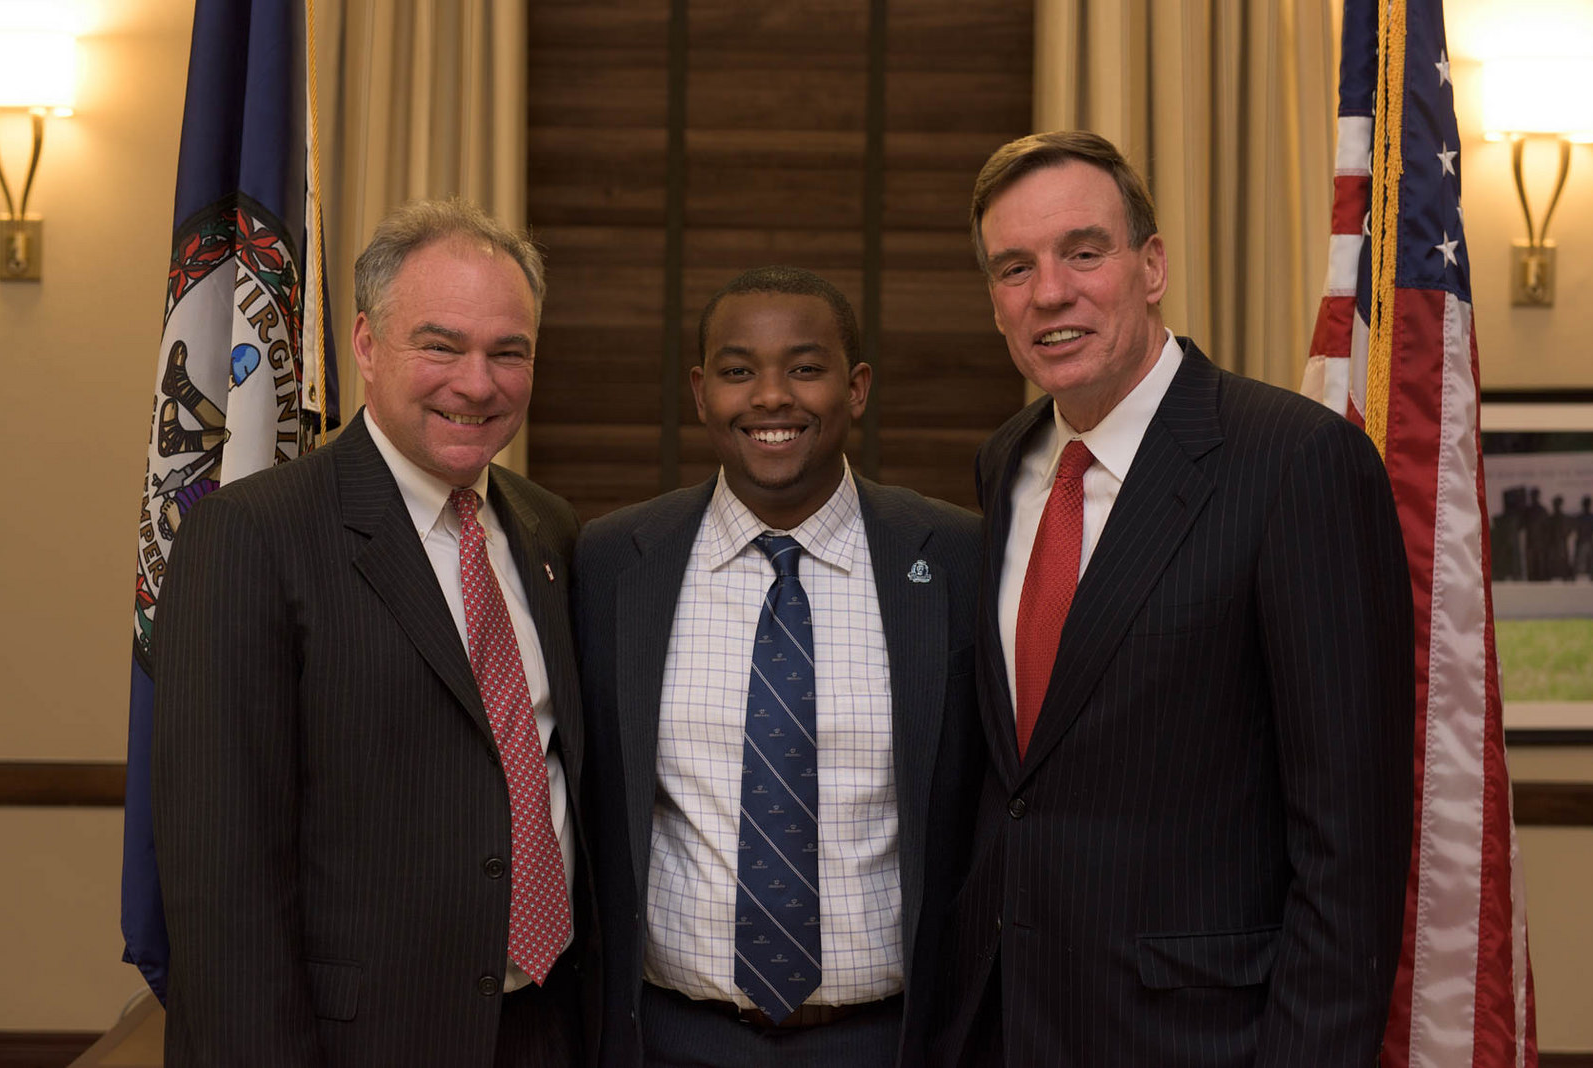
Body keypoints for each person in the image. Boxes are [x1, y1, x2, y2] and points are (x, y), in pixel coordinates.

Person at [932, 131, 1415, 1068]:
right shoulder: (1007, 463)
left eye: (1083, 252)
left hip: (1198, 1040)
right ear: (994, 301)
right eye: (1014, 268)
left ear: (1151, 266)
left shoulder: (1296, 464)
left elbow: (1349, 851)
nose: (1050, 293)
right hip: (1004, 1025)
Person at [153, 199, 596, 1067]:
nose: (478, 384)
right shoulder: (253, 535)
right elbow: (221, 874)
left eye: (509, 352)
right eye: (441, 346)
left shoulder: (551, 530)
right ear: (365, 343)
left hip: (546, 1029)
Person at [574, 266, 984, 1068]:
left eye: (804, 368)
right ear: (701, 393)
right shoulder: (614, 563)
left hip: (890, 1040)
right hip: (669, 1037)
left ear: (856, 388)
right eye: (738, 371)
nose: (770, 397)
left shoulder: (957, 559)